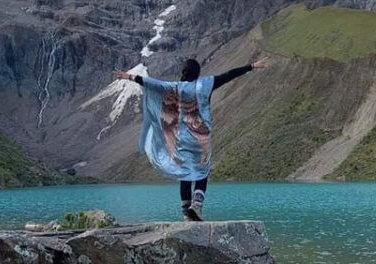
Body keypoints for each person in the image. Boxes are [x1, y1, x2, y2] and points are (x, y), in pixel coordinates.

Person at [114, 56, 268, 221]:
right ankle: (197, 205)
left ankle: (186, 213)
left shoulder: (175, 87)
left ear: (184, 72)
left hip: (182, 139)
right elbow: (229, 75)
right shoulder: (206, 84)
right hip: (201, 138)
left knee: (185, 172)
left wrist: (129, 76)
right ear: (197, 72)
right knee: (202, 172)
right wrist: (251, 66)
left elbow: (152, 83)